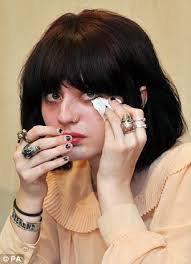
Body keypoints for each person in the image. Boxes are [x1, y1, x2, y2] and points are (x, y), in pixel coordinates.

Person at [0, 8, 191, 264]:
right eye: (54, 96)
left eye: (89, 93)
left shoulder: (183, 172)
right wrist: (29, 196)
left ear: (139, 98)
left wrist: (113, 187)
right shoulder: (60, 183)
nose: (65, 115)